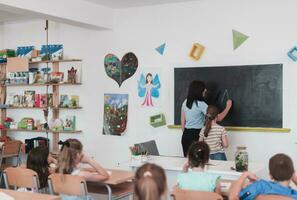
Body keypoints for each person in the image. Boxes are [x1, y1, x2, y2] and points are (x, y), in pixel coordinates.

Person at [181, 80, 232, 157]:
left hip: (186, 136)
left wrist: (186, 133)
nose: (206, 90)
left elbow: (182, 120)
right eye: (204, 88)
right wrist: (228, 107)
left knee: (189, 163)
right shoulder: (200, 104)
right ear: (199, 90)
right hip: (196, 135)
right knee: (199, 162)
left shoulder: (185, 102)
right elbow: (218, 118)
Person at [229, 153, 297, 200]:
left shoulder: (260, 186)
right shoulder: (294, 195)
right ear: (292, 174)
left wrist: (244, 175)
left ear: (270, 175)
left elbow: (233, 198)